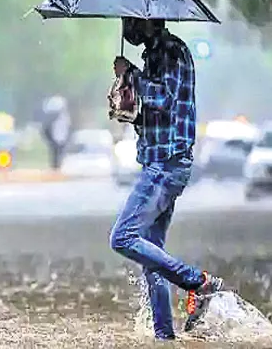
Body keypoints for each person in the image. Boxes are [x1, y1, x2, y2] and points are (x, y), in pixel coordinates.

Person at [109, 17, 225, 340]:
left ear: (147, 22)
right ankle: (164, 337)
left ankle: (197, 282)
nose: (126, 29)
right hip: (157, 162)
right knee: (151, 254)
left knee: (122, 238)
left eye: (130, 21)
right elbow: (156, 114)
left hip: (166, 165)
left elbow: (165, 100)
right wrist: (127, 105)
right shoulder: (153, 55)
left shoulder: (172, 52)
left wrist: (132, 75)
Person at [41, 96, 71, 169]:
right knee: (55, 155)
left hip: (60, 140)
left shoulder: (65, 118)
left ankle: (57, 168)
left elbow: (67, 130)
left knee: (58, 156)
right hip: (55, 140)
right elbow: (46, 131)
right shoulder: (51, 119)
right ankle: (55, 168)